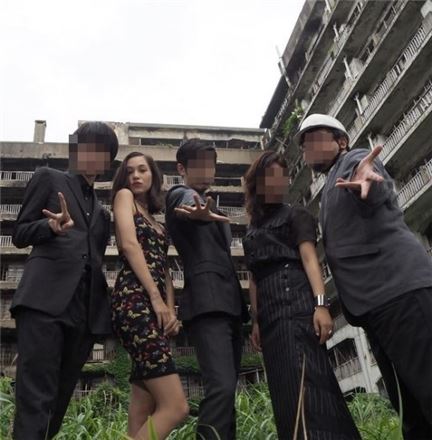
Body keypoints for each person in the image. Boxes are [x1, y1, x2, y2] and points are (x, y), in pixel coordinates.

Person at [295, 113, 432, 439]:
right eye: (304, 145)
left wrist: (367, 180)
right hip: (375, 307)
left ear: (341, 141)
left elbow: (371, 177)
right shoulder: (329, 188)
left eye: (315, 139)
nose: (308, 148)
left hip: (401, 292)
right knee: (410, 409)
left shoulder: (353, 161)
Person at [242, 151, 361, 440]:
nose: (278, 182)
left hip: (296, 305)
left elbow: (310, 260)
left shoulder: (296, 215)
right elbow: (254, 278)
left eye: (282, 176)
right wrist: (256, 321)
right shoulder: (252, 230)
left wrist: (321, 305)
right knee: (283, 389)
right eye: (270, 176)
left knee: (309, 381)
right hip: (269, 318)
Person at [11, 121, 118, 439]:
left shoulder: (103, 214)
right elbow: (20, 233)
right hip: (44, 302)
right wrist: (50, 227)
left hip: (84, 314)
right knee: (35, 397)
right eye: (87, 146)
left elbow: (95, 260)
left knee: (58, 402)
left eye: (102, 150)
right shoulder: (49, 178)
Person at [165, 139, 249, 440]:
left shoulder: (212, 205)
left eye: (211, 165)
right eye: (199, 165)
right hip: (207, 302)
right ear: (182, 169)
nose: (207, 170)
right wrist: (195, 211)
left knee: (227, 391)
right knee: (221, 388)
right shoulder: (180, 194)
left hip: (230, 305)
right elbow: (183, 203)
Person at [111, 152, 189, 440]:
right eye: (130, 171)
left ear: (153, 175)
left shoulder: (157, 221)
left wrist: (170, 310)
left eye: (142, 170)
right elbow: (130, 245)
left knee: (143, 408)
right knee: (176, 407)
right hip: (134, 300)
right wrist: (155, 299)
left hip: (155, 307)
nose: (135, 176)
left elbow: (164, 269)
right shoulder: (124, 198)